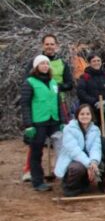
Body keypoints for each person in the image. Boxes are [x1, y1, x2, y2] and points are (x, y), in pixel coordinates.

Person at [21, 34, 74, 182]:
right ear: (42, 45)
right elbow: (27, 81)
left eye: (52, 44)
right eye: (47, 44)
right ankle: (29, 170)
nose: (50, 46)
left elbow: (70, 84)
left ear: (57, 45)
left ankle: (60, 169)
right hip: (39, 106)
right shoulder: (34, 62)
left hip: (58, 103)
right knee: (36, 141)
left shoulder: (62, 63)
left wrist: (56, 86)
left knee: (60, 139)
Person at [20, 55, 62, 191]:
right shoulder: (30, 82)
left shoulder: (53, 82)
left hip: (53, 120)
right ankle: (38, 181)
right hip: (38, 121)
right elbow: (25, 104)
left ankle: (65, 176)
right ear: (36, 66)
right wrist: (28, 125)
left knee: (62, 147)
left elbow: (59, 102)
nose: (45, 66)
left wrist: (62, 121)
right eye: (42, 63)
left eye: (47, 64)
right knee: (36, 151)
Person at [54, 104, 102, 197]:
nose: (85, 116)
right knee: (77, 168)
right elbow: (74, 151)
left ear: (91, 115)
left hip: (88, 159)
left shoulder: (95, 129)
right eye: (82, 114)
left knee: (101, 163)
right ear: (77, 115)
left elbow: (96, 147)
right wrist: (89, 164)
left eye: (88, 114)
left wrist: (94, 162)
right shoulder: (69, 129)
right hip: (72, 159)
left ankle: (85, 184)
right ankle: (69, 187)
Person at [76, 53, 105, 120]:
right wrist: (95, 102)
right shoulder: (85, 77)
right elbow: (81, 93)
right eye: (94, 61)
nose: (96, 63)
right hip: (90, 111)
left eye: (98, 61)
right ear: (89, 63)